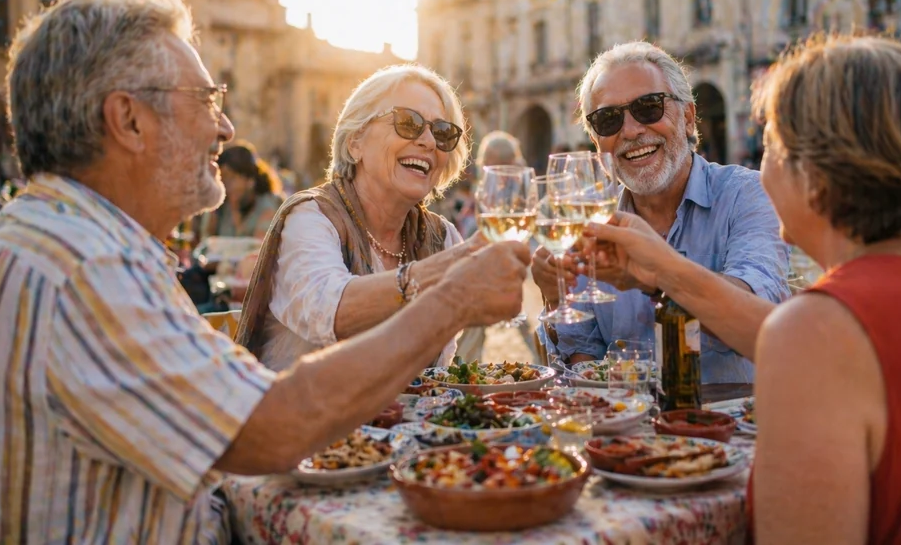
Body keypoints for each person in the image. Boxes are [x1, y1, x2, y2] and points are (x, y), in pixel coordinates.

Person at [0, 0, 530, 542]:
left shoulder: (62, 239)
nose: (225, 128)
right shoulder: (87, 267)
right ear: (128, 120)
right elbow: (274, 428)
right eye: (205, 99)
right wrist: (452, 298)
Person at [589, 35, 901, 544]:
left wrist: (664, 272)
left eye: (771, 144)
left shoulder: (816, 329)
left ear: (817, 172)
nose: (760, 169)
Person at [532, 41, 789, 383]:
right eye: (608, 119)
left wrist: (658, 274)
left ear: (687, 117)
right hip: (625, 431)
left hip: (729, 428)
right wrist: (555, 296)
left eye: (649, 107)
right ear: (596, 144)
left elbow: (760, 319)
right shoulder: (588, 219)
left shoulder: (747, 196)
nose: (632, 130)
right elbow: (582, 360)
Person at [233, 64, 486, 371]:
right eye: (408, 122)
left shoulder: (442, 237)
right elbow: (331, 313)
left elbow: (439, 372)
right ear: (355, 142)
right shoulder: (311, 218)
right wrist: (448, 268)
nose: (429, 142)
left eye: (443, 132)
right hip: (310, 415)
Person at [454, 130, 529, 363]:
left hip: (485, 260)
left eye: (487, 161)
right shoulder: (508, 186)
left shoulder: (505, 189)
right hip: (480, 259)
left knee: (475, 324)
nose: (483, 165)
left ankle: (465, 371)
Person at [204, 141, 284, 239]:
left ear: (250, 180)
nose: (225, 184)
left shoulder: (269, 203)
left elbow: (261, 246)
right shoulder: (224, 208)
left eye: (231, 178)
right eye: (222, 179)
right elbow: (206, 242)